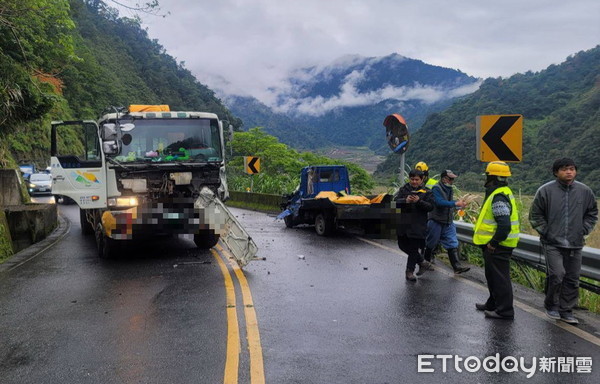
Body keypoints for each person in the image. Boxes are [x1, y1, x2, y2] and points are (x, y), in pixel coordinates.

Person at [529, 158, 598, 325]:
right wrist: (547, 232)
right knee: (557, 274)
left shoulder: (585, 191)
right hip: (552, 242)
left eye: (572, 169)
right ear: (556, 172)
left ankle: (566, 310)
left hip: (575, 243)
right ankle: (551, 304)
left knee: (573, 278)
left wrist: (583, 230)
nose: (569, 172)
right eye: (565, 169)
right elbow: (535, 216)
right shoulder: (545, 191)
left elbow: (592, 213)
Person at [473, 162, 520, 320]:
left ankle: (505, 310)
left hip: (498, 246)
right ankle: (493, 303)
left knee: (500, 278)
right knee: (492, 276)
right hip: (497, 245)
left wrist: (493, 243)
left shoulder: (498, 196)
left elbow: (504, 225)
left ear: (490, 176)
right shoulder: (501, 192)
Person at [424, 169, 470, 273]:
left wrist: (459, 207)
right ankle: (425, 262)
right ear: (444, 179)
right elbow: (439, 202)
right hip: (436, 220)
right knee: (431, 243)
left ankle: (457, 267)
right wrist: (455, 203)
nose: (452, 181)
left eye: (453, 179)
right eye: (451, 179)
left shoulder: (450, 190)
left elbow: (449, 204)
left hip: (447, 221)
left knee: (452, 242)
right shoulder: (436, 188)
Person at [395, 169, 434, 281]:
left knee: (413, 248)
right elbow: (395, 202)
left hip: (418, 225)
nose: (414, 182)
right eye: (412, 179)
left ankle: (409, 271)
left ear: (422, 180)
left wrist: (418, 201)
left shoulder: (427, 192)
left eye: (417, 179)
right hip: (403, 223)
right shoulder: (404, 189)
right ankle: (422, 262)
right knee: (402, 245)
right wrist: (405, 200)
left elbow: (430, 207)